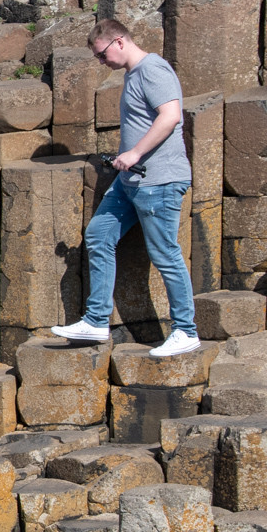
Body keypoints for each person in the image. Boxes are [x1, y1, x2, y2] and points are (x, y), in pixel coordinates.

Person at [51, 18, 201, 357]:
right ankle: (96, 321)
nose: (102, 63)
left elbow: (171, 116)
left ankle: (186, 331)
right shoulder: (133, 74)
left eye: (102, 55)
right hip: (130, 182)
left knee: (165, 254)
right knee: (99, 235)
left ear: (119, 41)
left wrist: (133, 153)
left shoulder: (153, 70)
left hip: (159, 180)